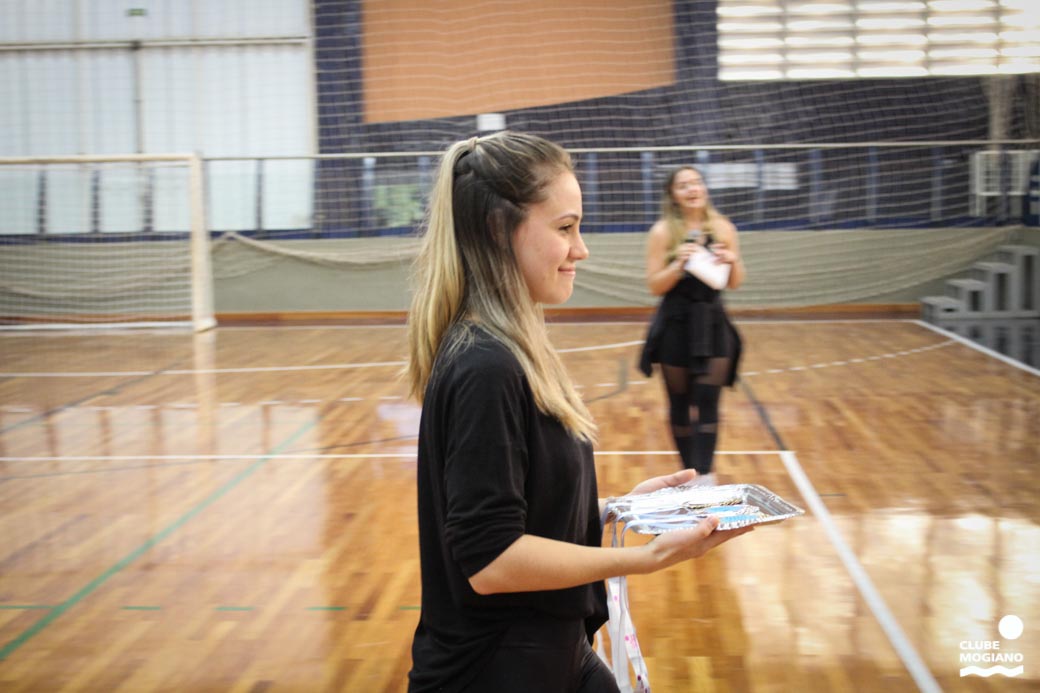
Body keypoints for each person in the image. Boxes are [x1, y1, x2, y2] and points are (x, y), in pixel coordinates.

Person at [404, 132, 752, 692]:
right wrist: (644, 559)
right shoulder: (484, 366)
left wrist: (618, 510)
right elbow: (492, 561)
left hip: (554, 650)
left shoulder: (510, 348)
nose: (581, 249)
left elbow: (517, 509)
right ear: (497, 230)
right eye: (565, 228)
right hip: (496, 670)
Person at [639, 166, 745, 485]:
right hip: (676, 325)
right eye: (683, 185)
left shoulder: (723, 228)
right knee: (681, 404)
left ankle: (706, 477)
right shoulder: (662, 232)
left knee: (708, 401)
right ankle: (689, 476)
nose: (692, 189)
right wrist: (678, 264)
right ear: (673, 195)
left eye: (697, 182)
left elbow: (735, 282)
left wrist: (732, 261)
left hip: (712, 324)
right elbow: (655, 285)